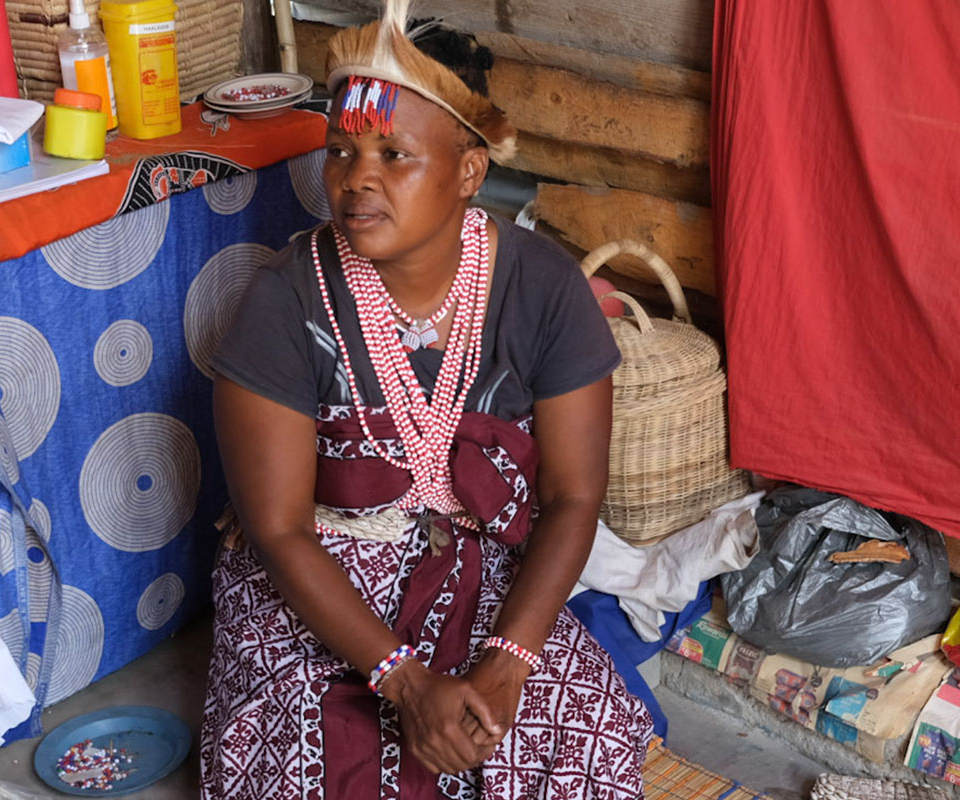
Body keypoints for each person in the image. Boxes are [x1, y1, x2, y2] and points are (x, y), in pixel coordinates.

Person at [201, 3, 652, 798]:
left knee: (579, 743)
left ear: (469, 172)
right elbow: (276, 528)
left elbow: (574, 496)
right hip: (320, 582)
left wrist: (510, 665)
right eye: (340, 151)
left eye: (393, 154)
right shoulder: (284, 299)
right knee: (315, 757)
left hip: (485, 577)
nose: (355, 179)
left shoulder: (543, 287)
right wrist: (405, 685)